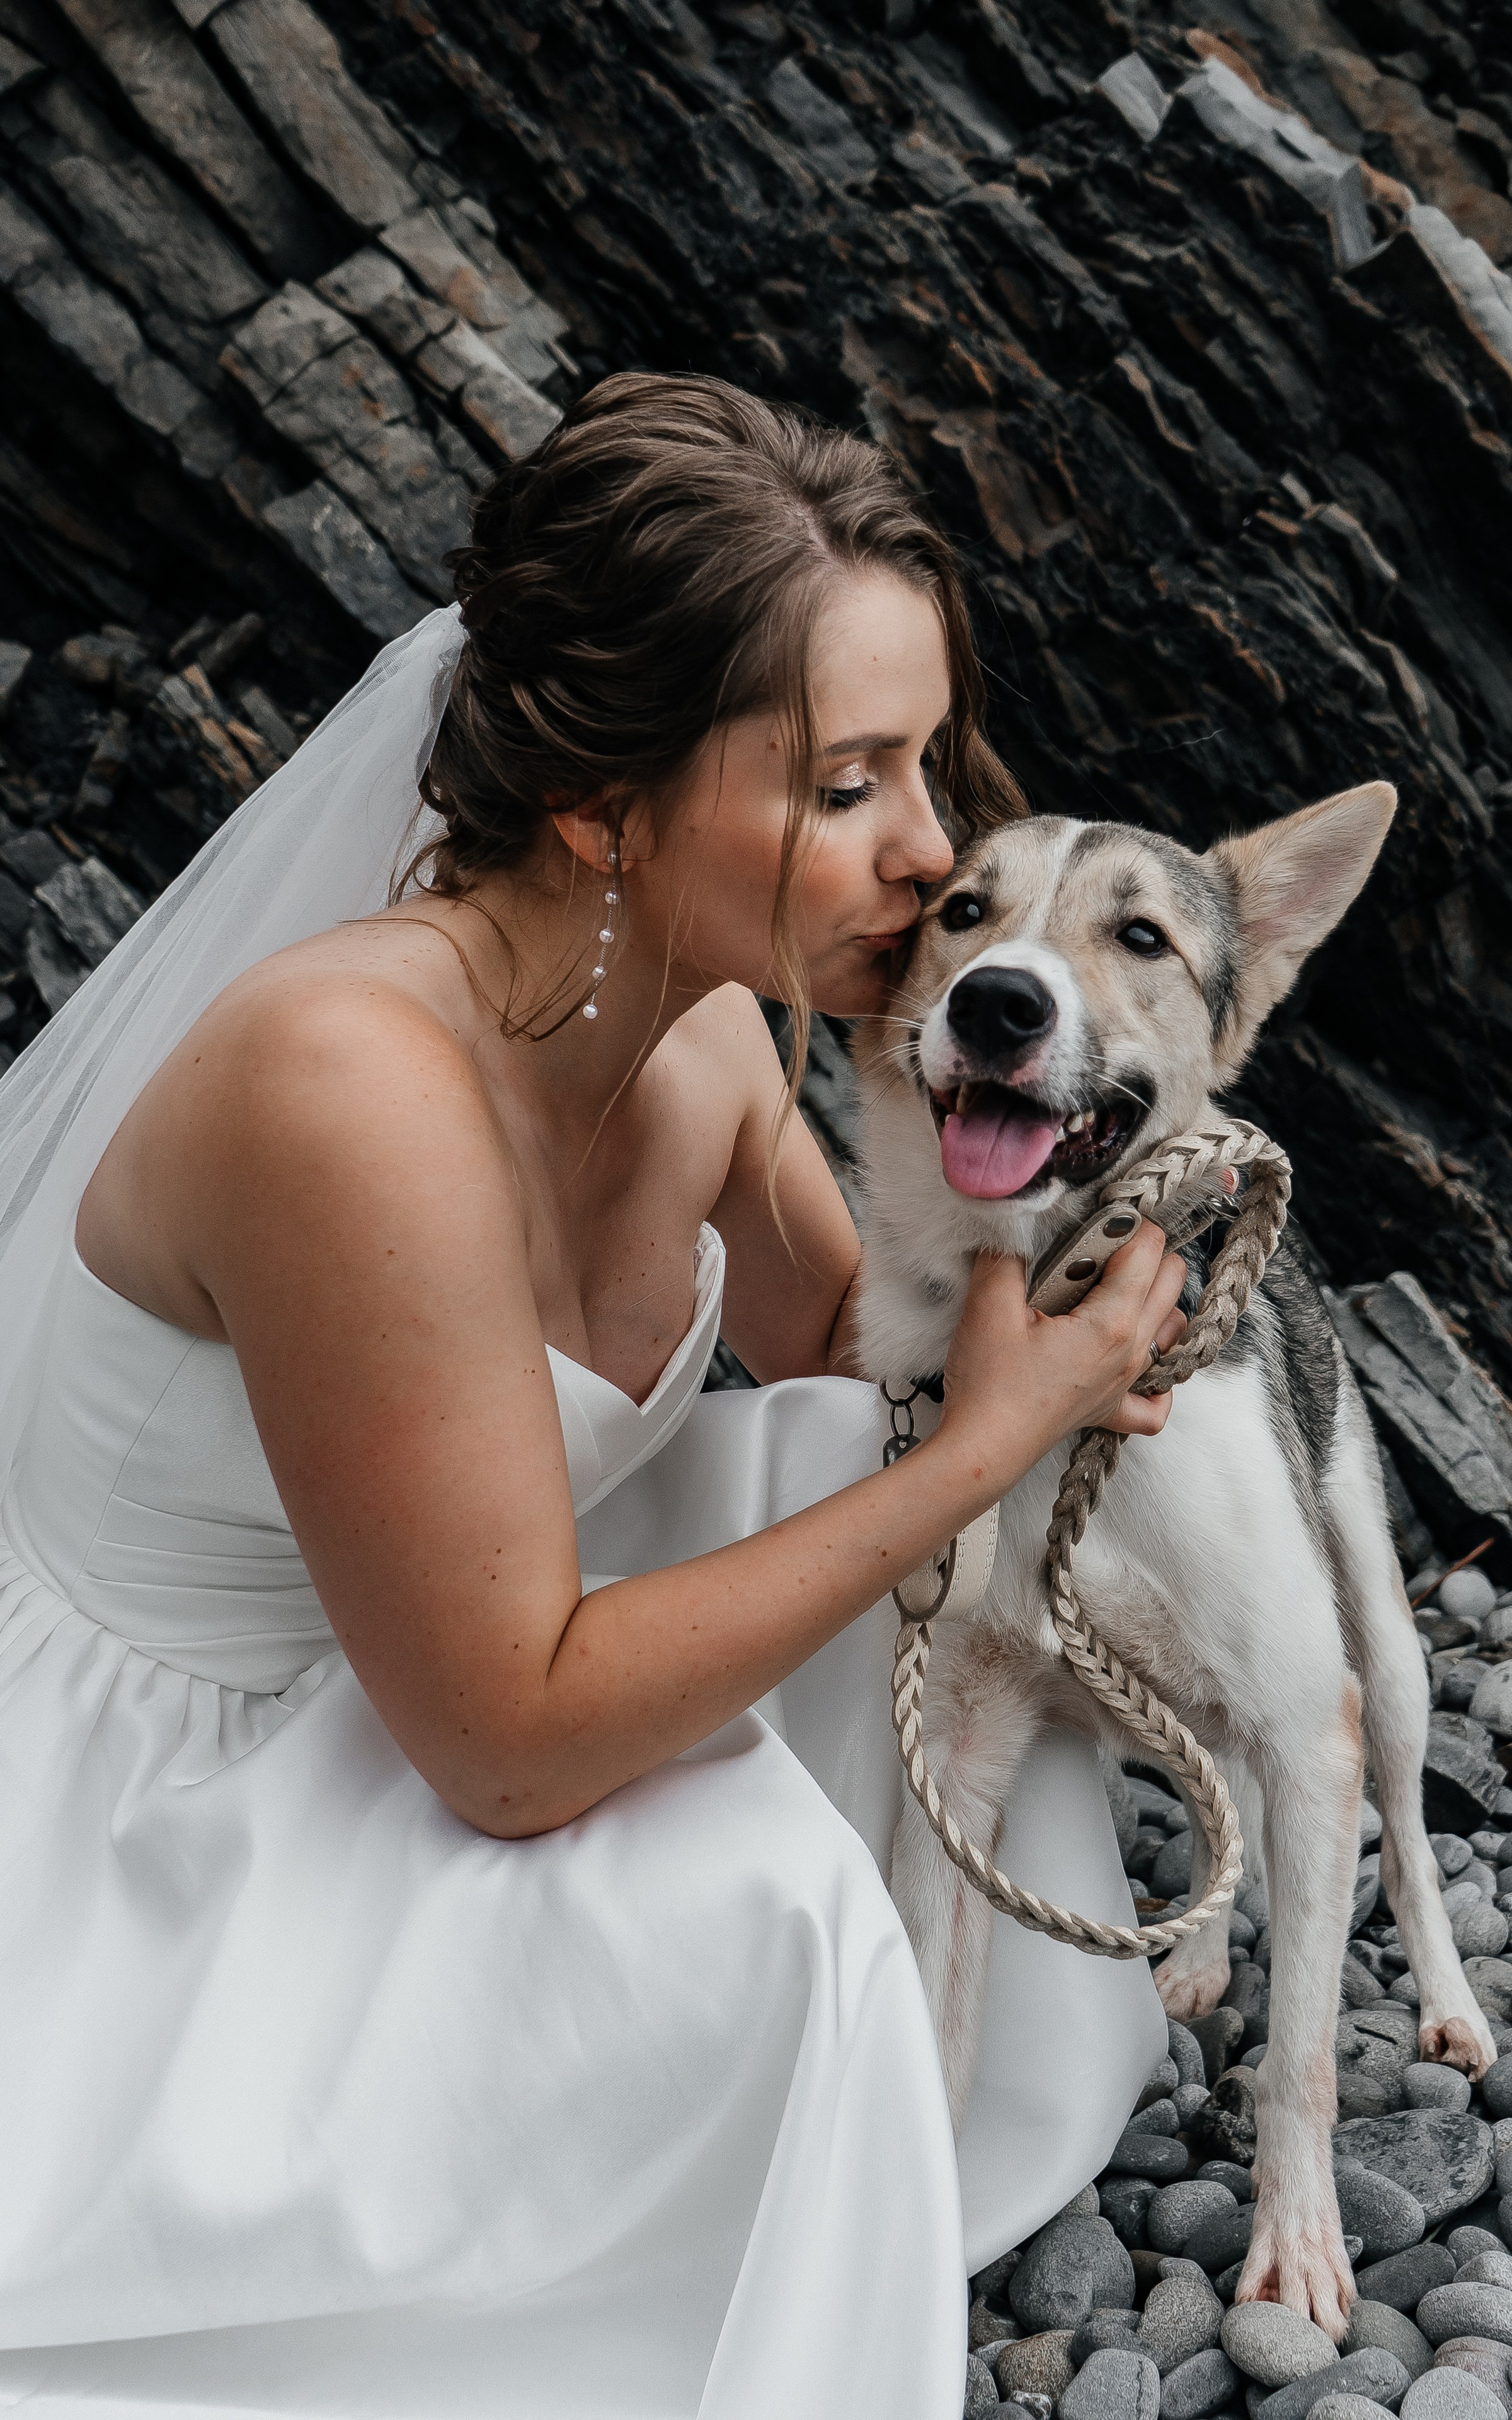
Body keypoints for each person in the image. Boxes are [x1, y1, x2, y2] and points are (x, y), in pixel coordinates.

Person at [0, 374, 1184, 2417]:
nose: (927, 853)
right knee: (776, 1907)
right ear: (601, 807)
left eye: (928, 768)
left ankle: (902, 2110)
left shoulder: (707, 1021)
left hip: (429, 1670)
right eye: (843, 790)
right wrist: (999, 1437)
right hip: (155, 1803)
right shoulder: (351, 1089)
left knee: (839, 1458)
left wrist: (1078, 1221)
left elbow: (843, 1352)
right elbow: (512, 1748)